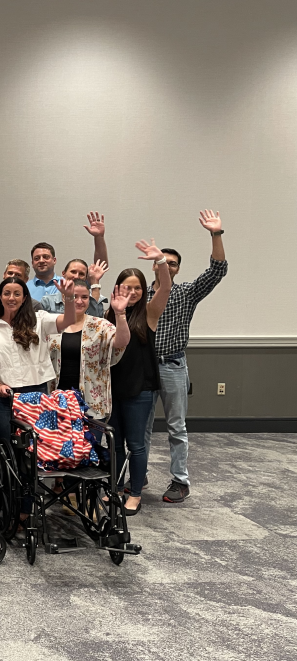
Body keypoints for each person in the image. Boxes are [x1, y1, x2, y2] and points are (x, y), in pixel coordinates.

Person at [146, 210, 228, 504]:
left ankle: (180, 481)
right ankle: (138, 476)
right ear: (153, 265)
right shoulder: (138, 295)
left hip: (172, 365)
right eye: (163, 262)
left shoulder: (186, 293)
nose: (168, 267)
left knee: (176, 428)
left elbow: (217, 271)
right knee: (140, 427)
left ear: (178, 270)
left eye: (173, 264)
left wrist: (215, 233)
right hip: (143, 368)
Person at [106, 239, 172, 514]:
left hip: (140, 388)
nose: (132, 292)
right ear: (118, 288)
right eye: (126, 287)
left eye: (137, 288)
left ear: (144, 291)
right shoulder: (111, 313)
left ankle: (134, 493)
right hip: (113, 387)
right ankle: (117, 488)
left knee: (136, 444)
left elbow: (166, 287)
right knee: (115, 443)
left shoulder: (149, 313)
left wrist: (161, 263)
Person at [0, 277, 76, 446]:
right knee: (9, 443)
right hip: (3, 397)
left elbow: (68, 321)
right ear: (0, 297)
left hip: (36, 392)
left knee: (37, 444)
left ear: (24, 298)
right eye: (7, 293)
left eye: (17, 294)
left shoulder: (39, 320)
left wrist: (69, 297)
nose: (11, 298)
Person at [48, 280, 132, 420]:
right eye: (74, 296)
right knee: (59, 442)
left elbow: (121, 342)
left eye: (84, 297)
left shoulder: (99, 325)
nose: (79, 301)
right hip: (56, 399)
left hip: (90, 401)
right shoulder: (52, 323)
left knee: (90, 442)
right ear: (65, 297)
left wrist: (120, 313)